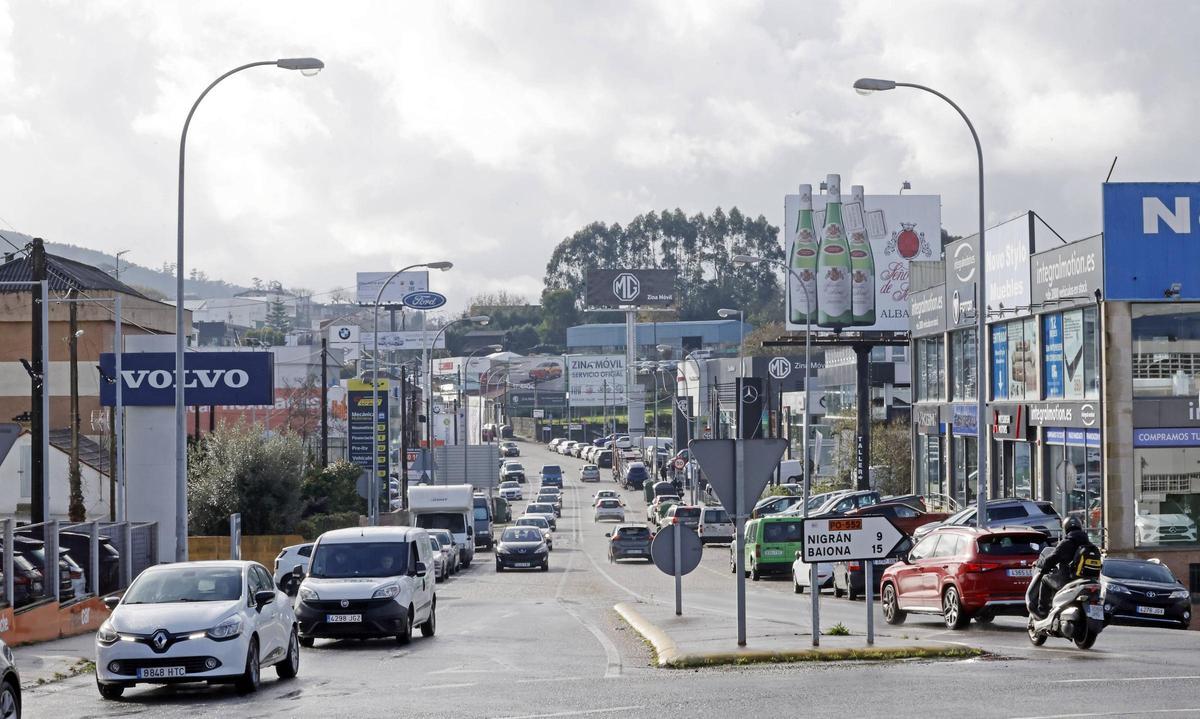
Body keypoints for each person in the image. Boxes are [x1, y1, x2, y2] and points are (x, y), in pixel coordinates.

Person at [1035, 516, 1096, 617]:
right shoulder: (1090, 544)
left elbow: (1052, 558)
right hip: (1089, 581)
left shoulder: (1067, 543)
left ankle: (1042, 611)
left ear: (1065, 528)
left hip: (1068, 580)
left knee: (1045, 579)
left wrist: (1043, 567)